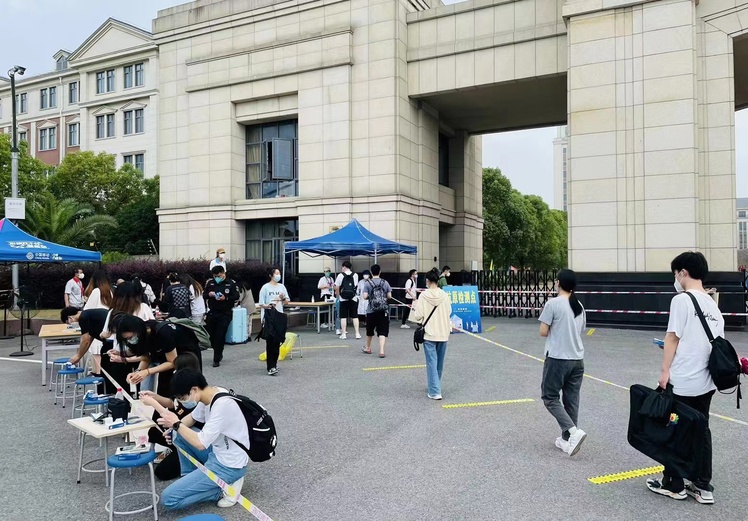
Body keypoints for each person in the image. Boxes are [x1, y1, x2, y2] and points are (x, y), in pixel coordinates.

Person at [645, 252, 721, 504]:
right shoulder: (712, 303)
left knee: (674, 428)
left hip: (683, 381)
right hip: (706, 382)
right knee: (701, 430)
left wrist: (664, 371)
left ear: (683, 273)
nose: (675, 279)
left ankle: (673, 483)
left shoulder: (681, 300)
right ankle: (703, 486)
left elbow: (672, 337)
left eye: (675, 274)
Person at [157, 369, 248, 510]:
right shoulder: (212, 393)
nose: (182, 402)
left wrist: (176, 424)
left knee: (168, 500)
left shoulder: (221, 406)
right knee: (179, 434)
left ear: (194, 389)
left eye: (182, 398)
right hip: (218, 453)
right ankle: (192, 477)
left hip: (228, 465)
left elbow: (200, 444)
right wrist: (173, 429)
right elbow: (192, 417)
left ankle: (222, 490)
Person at [538, 268, 587, 457]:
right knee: (571, 401)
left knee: (549, 397)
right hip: (577, 359)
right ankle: (567, 440)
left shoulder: (553, 304)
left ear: (558, 283)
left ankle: (573, 432)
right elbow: (580, 330)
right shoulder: (578, 305)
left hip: (558, 358)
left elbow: (543, 331)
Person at [139, 352, 203, 480]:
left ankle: (195, 460)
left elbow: (174, 420)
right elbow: (173, 403)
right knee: (154, 432)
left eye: (176, 369)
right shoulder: (181, 384)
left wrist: (153, 403)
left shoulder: (195, 392)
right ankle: (175, 449)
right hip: (179, 430)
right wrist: (154, 396)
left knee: (162, 473)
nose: (174, 372)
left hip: (192, 437)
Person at [115, 314, 203, 399]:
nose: (130, 340)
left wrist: (147, 372)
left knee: (186, 390)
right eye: (126, 339)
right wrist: (138, 372)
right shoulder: (140, 337)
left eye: (130, 337)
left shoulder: (162, 332)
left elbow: (172, 362)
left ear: (138, 330)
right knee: (164, 391)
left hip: (187, 356)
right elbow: (146, 358)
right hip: (167, 357)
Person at [410, 271, 453, 400]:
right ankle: (435, 385)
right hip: (443, 332)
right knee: (439, 363)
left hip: (429, 333)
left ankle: (434, 391)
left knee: (431, 363)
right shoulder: (445, 295)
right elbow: (449, 311)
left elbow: (418, 316)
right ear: (438, 281)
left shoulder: (423, 296)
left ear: (427, 281)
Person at [203, 266, 240, 368]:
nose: (217, 278)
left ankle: (216, 358)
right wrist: (209, 294)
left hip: (225, 313)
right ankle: (218, 349)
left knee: (220, 335)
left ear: (224, 273)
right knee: (211, 335)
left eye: (219, 276)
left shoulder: (230, 283)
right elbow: (204, 295)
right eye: (215, 276)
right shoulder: (210, 283)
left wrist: (225, 298)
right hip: (212, 312)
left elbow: (236, 296)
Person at [258, 267, 290, 376]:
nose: (278, 275)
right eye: (276, 273)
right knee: (270, 341)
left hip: (279, 316)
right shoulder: (265, 288)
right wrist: (268, 306)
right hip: (269, 317)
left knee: (277, 341)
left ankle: (274, 364)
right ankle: (270, 366)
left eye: (279, 273)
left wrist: (283, 298)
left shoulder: (282, 287)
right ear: (271, 275)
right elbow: (261, 303)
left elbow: (287, 302)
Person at [82, 271, 114, 373]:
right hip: (106, 328)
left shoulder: (96, 291)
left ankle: (99, 378)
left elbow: (86, 311)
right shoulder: (110, 291)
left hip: (96, 329)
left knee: (97, 362)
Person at [361, 264, 393, 358]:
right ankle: (382, 351)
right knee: (382, 331)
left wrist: (371, 297)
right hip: (383, 310)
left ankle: (368, 348)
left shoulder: (368, 283)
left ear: (371, 272)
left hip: (371, 310)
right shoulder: (385, 282)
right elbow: (389, 296)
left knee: (369, 330)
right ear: (380, 272)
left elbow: (365, 296)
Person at [335, 261, 360, 340]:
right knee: (355, 316)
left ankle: (343, 334)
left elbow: (336, 287)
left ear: (344, 267)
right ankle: (357, 333)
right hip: (353, 298)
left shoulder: (340, 275)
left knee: (343, 317)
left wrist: (338, 296)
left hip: (343, 298)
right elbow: (356, 286)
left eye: (342, 267)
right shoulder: (355, 275)